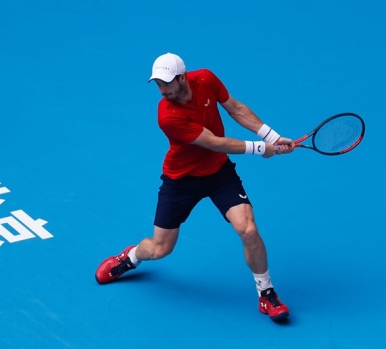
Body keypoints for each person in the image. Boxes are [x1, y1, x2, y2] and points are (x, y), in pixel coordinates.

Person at [95, 53, 295, 321]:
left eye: (167, 83)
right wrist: (262, 149)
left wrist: (272, 136)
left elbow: (235, 108)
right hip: (181, 180)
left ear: (182, 77)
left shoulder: (206, 78)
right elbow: (214, 142)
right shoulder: (167, 115)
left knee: (248, 229)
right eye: (158, 84)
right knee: (160, 248)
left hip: (218, 173)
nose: (163, 90)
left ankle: (266, 293)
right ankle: (130, 257)